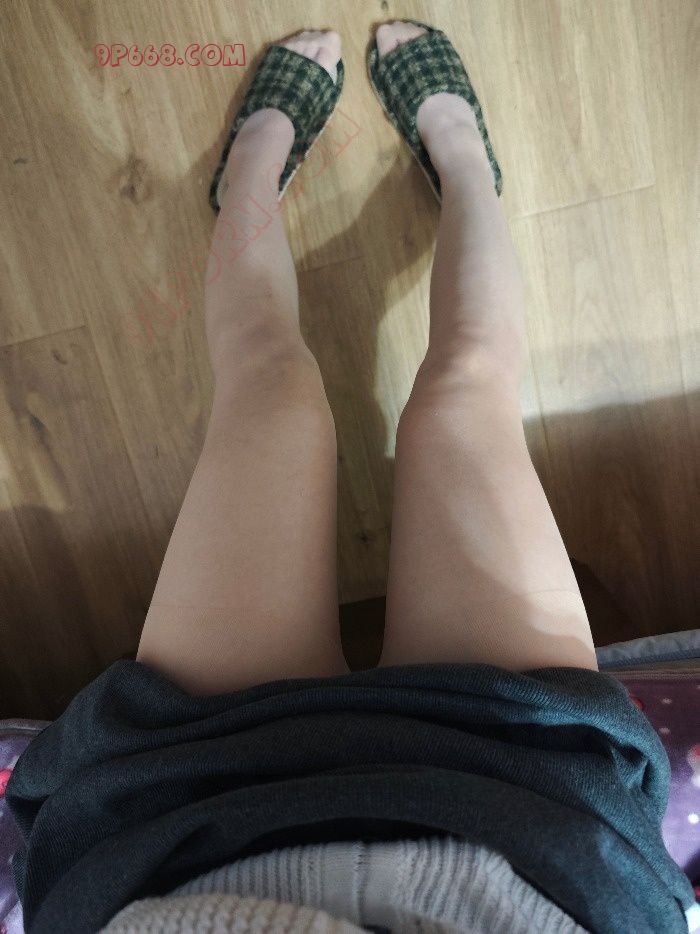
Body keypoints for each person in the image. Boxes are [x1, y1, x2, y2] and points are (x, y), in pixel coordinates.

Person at [6, 21, 696, 934]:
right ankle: (466, 170)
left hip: (176, 819)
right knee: (467, 386)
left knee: (269, 392)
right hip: (535, 813)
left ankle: (251, 176)